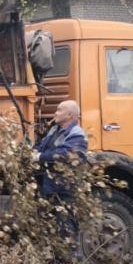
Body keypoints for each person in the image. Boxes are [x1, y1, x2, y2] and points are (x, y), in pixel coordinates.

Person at [32, 100, 88, 240]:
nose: (55, 113)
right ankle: (58, 259)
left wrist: (40, 157)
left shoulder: (77, 134)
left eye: (59, 110)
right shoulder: (54, 130)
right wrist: (32, 153)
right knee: (52, 227)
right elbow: (42, 145)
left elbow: (66, 155)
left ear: (69, 115)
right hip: (50, 185)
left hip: (65, 188)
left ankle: (71, 260)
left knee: (66, 226)